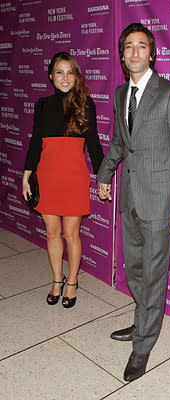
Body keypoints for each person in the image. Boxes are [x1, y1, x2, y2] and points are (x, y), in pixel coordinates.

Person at [97, 23, 170, 382]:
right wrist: (105, 174)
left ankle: (143, 344)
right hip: (130, 198)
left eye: (142, 46)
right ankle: (142, 320)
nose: (135, 52)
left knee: (154, 274)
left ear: (151, 54)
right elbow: (120, 144)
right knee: (136, 270)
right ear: (123, 55)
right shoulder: (119, 93)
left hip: (160, 203)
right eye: (128, 47)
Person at [22, 52, 104, 308]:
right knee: (52, 232)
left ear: (76, 76)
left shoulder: (86, 104)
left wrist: (103, 176)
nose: (65, 78)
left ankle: (73, 281)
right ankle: (57, 280)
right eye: (60, 72)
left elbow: (94, 145)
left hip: (74, 177)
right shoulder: (42, 105)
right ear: (50, 76)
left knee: (72, 234)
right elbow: (36, 141)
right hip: (46, 175)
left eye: (70, 72)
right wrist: (27, 174)